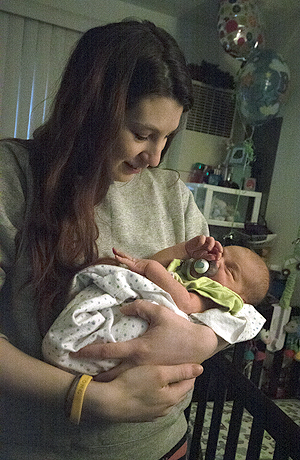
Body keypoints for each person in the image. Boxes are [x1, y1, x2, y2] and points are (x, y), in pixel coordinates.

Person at [0, 19, 264, 460]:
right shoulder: (13, 177)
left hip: (165, 444)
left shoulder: (172, 195)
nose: (155, 157)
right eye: (142, 134)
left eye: (167, 138)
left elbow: (227, 300)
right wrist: (87, 396)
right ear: (89, 111)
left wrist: (200, 342)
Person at [42, 236, 267, 376]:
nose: (218, 262)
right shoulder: (194, 273)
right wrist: (184, 250)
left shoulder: (222, 297)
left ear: (240, 297)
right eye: (223, 255)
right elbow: (155, 264)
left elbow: (186, 303)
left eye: (229, 270)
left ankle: (74, 351)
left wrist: (151, 269)